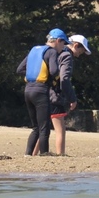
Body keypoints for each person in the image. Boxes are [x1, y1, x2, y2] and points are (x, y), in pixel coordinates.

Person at [33, 34, 92, 156]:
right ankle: (61, 155)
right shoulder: (67, 56)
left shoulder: (54, 52)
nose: (81, 54)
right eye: (82, 50)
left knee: (43, 128)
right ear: (76, 45)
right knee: (60, 129)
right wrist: (72, 98)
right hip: (54, 95)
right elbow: (64, 80)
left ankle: (32, 155)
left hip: (41, 92)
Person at [16, 28, 71, 156]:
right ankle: (44, 154)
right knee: (44, 128)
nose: (63, 47)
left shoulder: (34, 50)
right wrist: (54, 79)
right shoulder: (51, 52)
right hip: (41, 91)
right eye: (63, 44)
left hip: (28, 90)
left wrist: (34, 73)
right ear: (58, 41)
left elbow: (19, 69)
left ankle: (28, 155)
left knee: (35, 127)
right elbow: (53, 71)